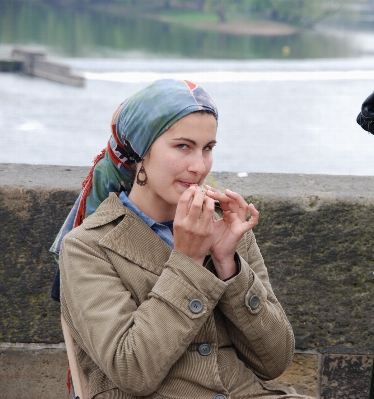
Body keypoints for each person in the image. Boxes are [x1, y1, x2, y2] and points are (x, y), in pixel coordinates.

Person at [51, 79, 311, 398]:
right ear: (142, 153)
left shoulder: (225, 229)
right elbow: (131, 371)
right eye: (182, 146)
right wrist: (188, 261)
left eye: (208, 148)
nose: (199, 166)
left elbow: (275, 362)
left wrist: (228, 264)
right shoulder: (87, 246)